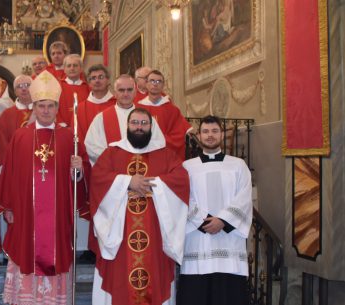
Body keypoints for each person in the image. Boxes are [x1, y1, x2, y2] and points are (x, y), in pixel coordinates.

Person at [0, 70, 88, 305]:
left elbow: (79, 181)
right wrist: (9, 206)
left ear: (57, 108)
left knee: (56, 249)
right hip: (26, 213)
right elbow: (10, 174)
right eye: (41, 106)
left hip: (58, 214)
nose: (45, 111)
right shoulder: (21, 136)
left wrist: (78, 169)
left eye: (50, 106)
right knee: (27, 250)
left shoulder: (69, 137)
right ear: (33, 108)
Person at [90, 108, 190, 305]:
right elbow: (98, 179)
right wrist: (127, 182)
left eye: (144, 124)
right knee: (120, 276)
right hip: (120, 232)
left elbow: (181, 180)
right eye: (135, 123)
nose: (139, 127)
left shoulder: (166, 154)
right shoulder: (112, 153)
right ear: (127, 126)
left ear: (151, 127)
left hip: (154, 233)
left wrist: (154, 185)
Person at [178, 115, 252, 305]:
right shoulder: (186, 167)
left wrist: (223, 221)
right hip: (198, 239)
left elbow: (244, 197)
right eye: (205, 131)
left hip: (229, 240)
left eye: (214, 131)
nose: (210, 136)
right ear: (199, 136)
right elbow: (183, 198)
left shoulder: (238, 165)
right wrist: (203, 220)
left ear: (222, 135)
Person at [136, 70, 193, 159]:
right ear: (146, 84)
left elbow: (178, 136)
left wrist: (156, 141)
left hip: (166, 155)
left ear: (163, 85)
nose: (155, 84)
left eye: (159, 81)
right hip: (143, 154)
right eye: (152, 81)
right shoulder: (138, 108)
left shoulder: (173, 110)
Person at [84, 74, 137, 165]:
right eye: (121, 90)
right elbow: (91, 146)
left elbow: (156, 142)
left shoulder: (146, 117)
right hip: (111, 169)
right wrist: (114, 158)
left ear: (135, 92)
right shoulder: (101, 118)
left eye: (129, 90)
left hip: (139, 167)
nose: (125, 94)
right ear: (115, 93)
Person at [0, 75, 34, 163]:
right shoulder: (6, 114)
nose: (24, 89)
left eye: (27, 85)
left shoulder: (43, 111)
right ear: (15, 92)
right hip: (15, 161)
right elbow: (2, 143)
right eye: (19, 86)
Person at [77, 64, 116, 146]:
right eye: (93, 78)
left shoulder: (117, 104)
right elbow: (77, 135)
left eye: (101, 77)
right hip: (86, 156)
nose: (97, 81)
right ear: (89, 83)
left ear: (108, 80)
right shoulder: (80, 108)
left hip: (113, 155)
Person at [57, 54, 90, 127]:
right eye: (69, 66)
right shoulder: (57, 86)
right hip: (61, 127)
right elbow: (52, 105)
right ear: (64, 69)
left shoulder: (88, 88)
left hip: (83, 127)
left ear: (81, 68)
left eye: (75, 65)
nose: (72, 68)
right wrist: (60, 123)